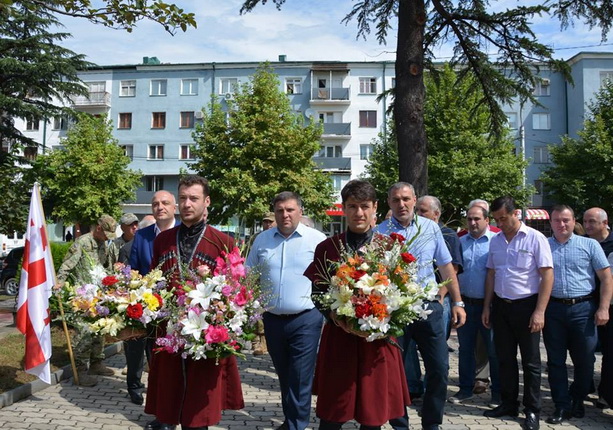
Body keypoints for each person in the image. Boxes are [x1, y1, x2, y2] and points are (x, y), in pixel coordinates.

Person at [304, 179, 410, 429]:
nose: (359, 213)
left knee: (373, 415)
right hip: (340, 337)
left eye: (364, 206)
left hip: (377, 342)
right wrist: (337, 318)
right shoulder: (327, 248)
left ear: (375, 207)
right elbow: (317, 293)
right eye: (352, 206)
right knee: (332, 415)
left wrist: (385, 318)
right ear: (344, 208)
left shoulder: (389, 248)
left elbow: (402, 294)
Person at [144, 176, 244, 430]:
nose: (187, 203)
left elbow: (235, 290)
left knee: (199, 408)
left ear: (206, 201)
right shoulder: (163, 240)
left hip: (206, 334)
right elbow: (152, 283)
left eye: (194, 198)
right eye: (183, 198)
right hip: (169, 332)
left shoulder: (223, 241)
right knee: (169, 398)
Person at [375, 182, 466, 430]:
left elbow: (447, 266)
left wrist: (457, 302)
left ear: (415, 200)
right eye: (396, 200)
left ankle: (432, 423)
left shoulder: (430, 228)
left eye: (406, 199)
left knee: (439, 367)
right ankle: (400, 424)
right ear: (389, 202)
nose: (401, 204)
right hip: (394, 312)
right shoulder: (380, 233)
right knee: (394, 372)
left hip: (429, 308)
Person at [246, 192, 326, 430]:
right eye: (280, 210)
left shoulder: (316, 239)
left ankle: (297, 425)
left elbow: (331, 277)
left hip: (306, 317)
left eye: (290, 209)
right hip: (272, 319)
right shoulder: (262, 239)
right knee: (284, 373)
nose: (285, 214)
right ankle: (290, 419)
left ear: (300, 211)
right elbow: (249, 274)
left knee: (300, 376)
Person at [481, 196, 553, 430]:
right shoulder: (496, 240)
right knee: (505, 359)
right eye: (496, 220)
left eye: (503, 218)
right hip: (502, 306)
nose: (500, 224)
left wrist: (540, 311)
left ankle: (532, 410)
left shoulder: (535, 238)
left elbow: (547, 275)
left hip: (527, 306)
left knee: (531, 362)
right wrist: (487, 306)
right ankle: (508, 403)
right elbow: (491, 274)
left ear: (516, 213)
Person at [544, 205, 612, 425]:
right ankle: (561, 405)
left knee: (584, 360)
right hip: (553, 310)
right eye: (557, 220)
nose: (561, 225)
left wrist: (603, 308)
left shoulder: (589, 245)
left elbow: (606, 278)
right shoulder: (543, 246)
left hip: (583, 310)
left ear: (574, 221)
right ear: (551, 222)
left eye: (566, 220)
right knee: (555, 361)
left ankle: (578, 400)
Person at [125, 193, 178, 409]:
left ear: (174, 207)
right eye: (155, 204)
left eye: (165, 203)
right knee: (135, 346)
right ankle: (134, 387)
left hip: (174, 305)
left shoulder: (181, 233)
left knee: (161, 352)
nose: (160, 207)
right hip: (145, 302)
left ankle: (162, 392)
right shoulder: (143, 235)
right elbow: (135, 268)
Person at [57, 214, 118, 387]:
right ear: (98, 228)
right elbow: (67, 264)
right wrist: (59, 283)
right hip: (82, 297)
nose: (107, 237)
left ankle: (96, 363)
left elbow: (104, 267)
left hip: (98, 295)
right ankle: (81, 370)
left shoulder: (103, 244)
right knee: (84, 333)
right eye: (106, 233)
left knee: (99, 331)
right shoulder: (82, 242)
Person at [448, 205, 500, 407]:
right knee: (466, 349)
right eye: (469, 219)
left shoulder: (497, 242)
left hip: (491, 306)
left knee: (493, 350)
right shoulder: (460, 242)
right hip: (465, 305)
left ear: (487, 220)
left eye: (477, 218)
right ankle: (465, 389)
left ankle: (497, 394)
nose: (472, 223)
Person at [583, 207, 613, 409]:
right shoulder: (584, 243)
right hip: (586, 304)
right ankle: (585, 385)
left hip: (609, 305)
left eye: (592, 222)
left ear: (604, 223)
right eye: (585, 222)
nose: (587, 226)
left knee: (610, 352)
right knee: (585, 349)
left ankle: (606, 393)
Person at [245, 211, 277, 356]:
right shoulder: (256, 238)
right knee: (255, 312)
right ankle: (256, 343)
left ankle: (266, 342)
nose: (268, 224)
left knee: (266, 313)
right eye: (265, 221)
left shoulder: (279, 236)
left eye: (271, 221)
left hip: (271, 282)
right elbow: (247, 257)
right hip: (257, 281)